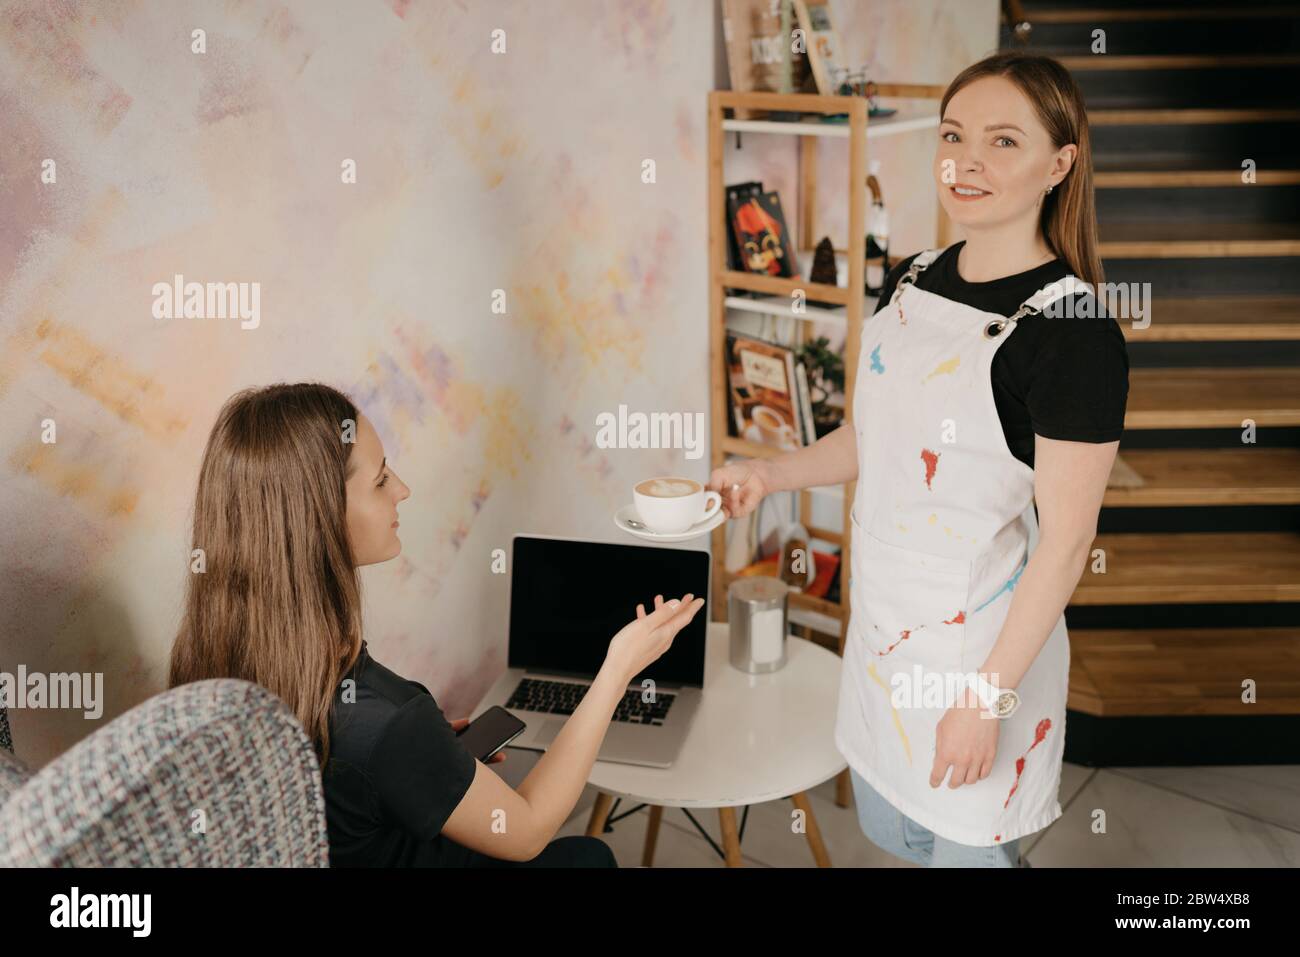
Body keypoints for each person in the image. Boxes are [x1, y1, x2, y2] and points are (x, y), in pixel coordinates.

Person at [710, 52, 1128, 868]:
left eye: (1003, 142)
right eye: (953, 135)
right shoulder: (909, 279)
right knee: (896, 835)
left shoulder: (1072, 333)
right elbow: (877, 439)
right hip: (884, 641)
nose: (967, 161)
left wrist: (985, 696)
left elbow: (1067, 543)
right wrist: (770, 475)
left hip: (981, 657)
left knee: (969, 853)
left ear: (1060, 162)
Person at [169, 382, 704, 866]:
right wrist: (616, 672)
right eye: (380, 480)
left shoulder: (207, 654)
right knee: (587, 857)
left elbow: (344, 791)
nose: (402, 489)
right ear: (320, 518)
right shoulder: (383, 722)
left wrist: (420, 762)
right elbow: (529, 832)